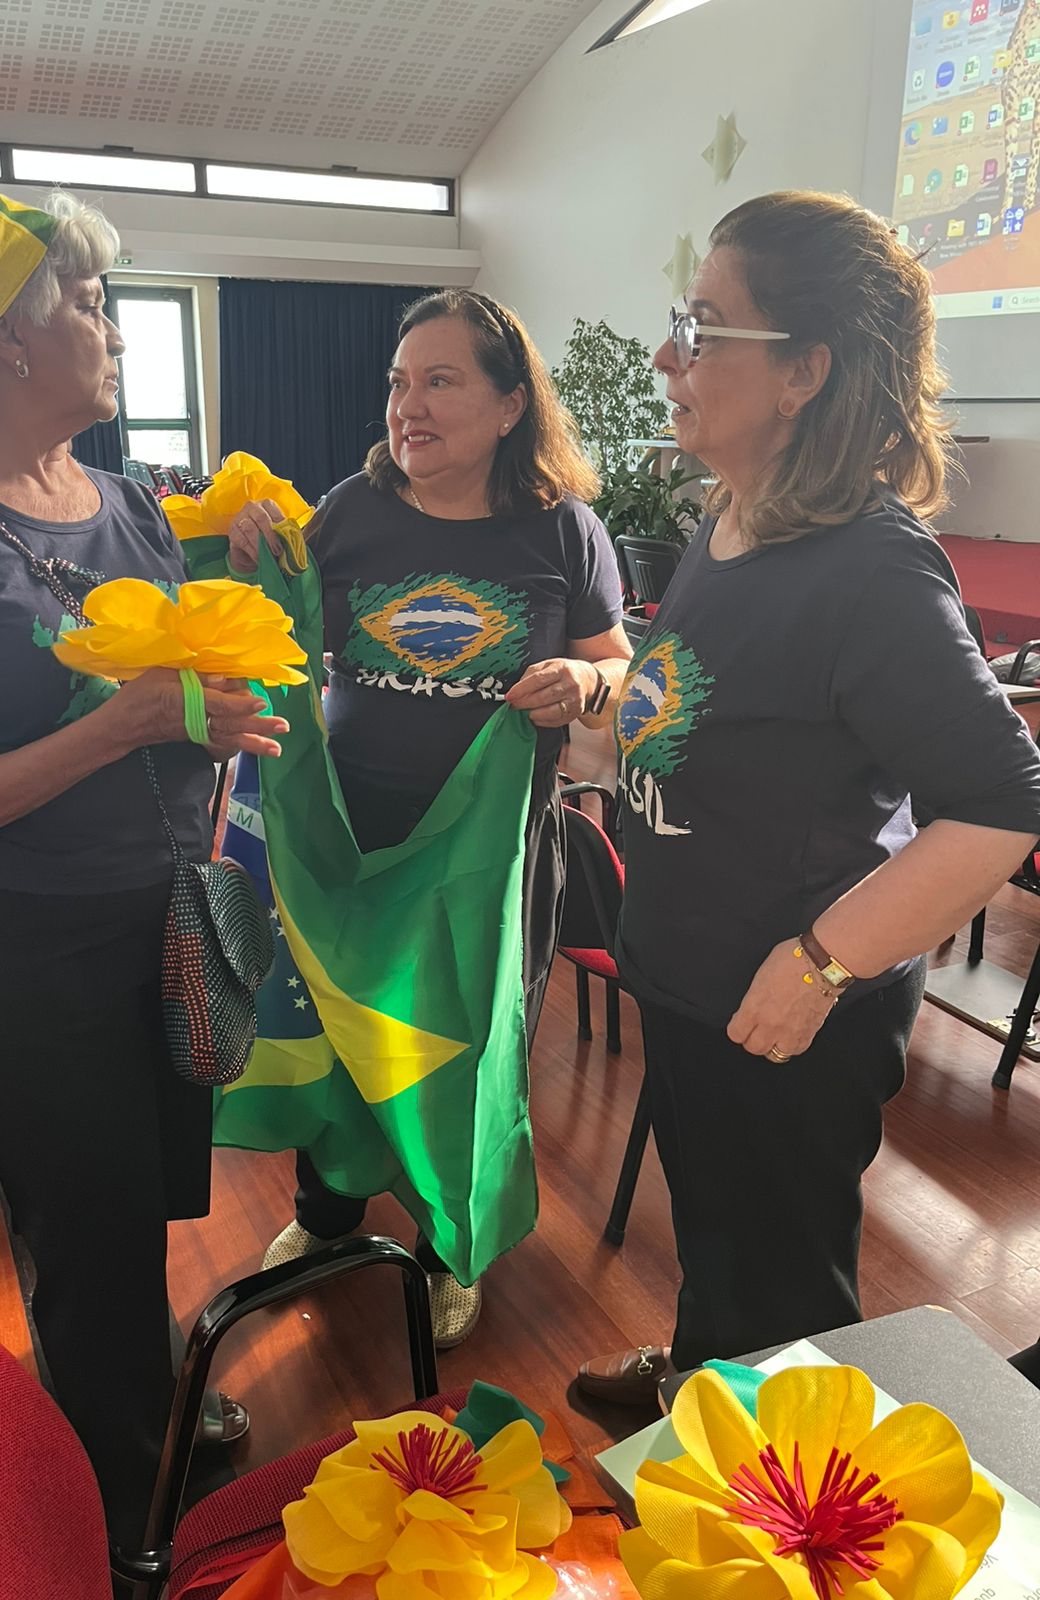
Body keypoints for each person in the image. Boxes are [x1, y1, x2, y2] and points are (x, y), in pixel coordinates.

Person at [0, 185, 286, 1550]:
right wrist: (129, 724)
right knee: (86, 1243)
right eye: (92, 304)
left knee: (139, 1210)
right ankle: (127, 1522)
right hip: (33, 952)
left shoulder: (126, 502)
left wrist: (213, 701)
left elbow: (170, 698)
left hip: (166, 914)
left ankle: (140, 1417)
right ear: (6, 337)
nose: (117, 331)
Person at [575, 192, 1040, 1404]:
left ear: (804, 372)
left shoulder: (870, 568)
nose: (668, 355)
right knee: (720, 1243)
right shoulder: (733, 520)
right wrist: (596, 723)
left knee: (781, 1293)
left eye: (702, 326)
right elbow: (720, 723)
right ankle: (700, 1375)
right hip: (690, 979)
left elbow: (1003, 799)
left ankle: (768, 1469)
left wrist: (823, 963)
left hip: (785, 1011)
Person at [226, 289, 633, 1346]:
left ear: (510, 405)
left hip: (490, 859)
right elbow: (271, 637)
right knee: (339, 1029)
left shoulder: (564, 528)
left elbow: (624, 669)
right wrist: (245, 557)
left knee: (467, 1046)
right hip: (350, 843)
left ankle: (451, 1246)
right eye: (399, 382)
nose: (409, 406)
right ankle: (325, 1217)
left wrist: (586, 684)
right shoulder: (350, 512)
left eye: (441, 381)